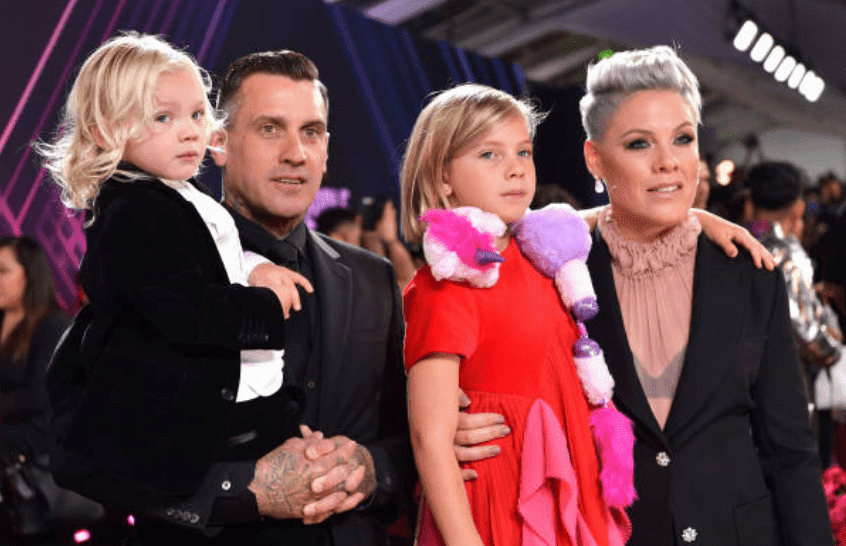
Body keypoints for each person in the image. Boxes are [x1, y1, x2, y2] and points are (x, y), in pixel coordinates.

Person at [38, 33, 359, 545]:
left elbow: (202, 264)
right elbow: (183, 308)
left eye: (195, 114)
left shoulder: (175, 195)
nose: (189, 133)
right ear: (105, 129)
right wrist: (264, 305)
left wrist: (252, 268)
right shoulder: (135, 209)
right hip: (175, 443)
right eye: (163, 118)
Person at [513, 45, 831, 546]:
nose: (668, 163)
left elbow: (789, 450)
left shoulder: (750, 274)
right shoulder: (557, 273)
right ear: (595, 159)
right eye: (640, 144)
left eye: (683, 139)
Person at [400, 83, 632, 546]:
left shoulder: (542, 257)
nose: (515, 169)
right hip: (499, 504)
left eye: (523, 152)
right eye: (489, 155)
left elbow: (618, 215)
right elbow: (430, 439)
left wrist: (703, 218)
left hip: (567, 477)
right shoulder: (447, 284)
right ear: (443, 176)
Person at [209, 49, 415, 545]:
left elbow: (411, 435)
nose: (295, 153)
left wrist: (371, 469)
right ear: (218, 143)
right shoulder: (160, 272)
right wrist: (246, 490)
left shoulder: (372, 277)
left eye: (311, 132)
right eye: (269, 128)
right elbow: (93, 456)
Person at [0, 236, 104, 544]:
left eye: (3, 271)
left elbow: (40, 396)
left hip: (39, 435)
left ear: (29, 275)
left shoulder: (53, 325)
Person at [746, 160, 844, 469]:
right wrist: (834, 349)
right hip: (786, 383)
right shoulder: (788, 254)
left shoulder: (732, 240)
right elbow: (805, 331)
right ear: (798, 208)